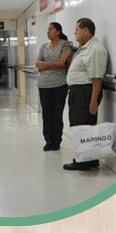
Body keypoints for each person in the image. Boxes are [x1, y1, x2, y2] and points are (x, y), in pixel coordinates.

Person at [64, 17, 109, 171]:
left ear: (86, 30)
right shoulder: (85, 48)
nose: (74, 33)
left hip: (85, 92)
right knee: (85, 127)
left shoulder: (95, 49)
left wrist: (93, 101)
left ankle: (82, 162)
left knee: (81, 127)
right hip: (80, 92)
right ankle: (91, 159)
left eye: (77, 30)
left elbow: (97, 78)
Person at [35, 22, 74, 151]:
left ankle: (56, 140)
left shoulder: (66, 44)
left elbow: (62, 62)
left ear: (58, 32)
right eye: (47, 30)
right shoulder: (43, 46)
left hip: (59, 85)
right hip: (43, 85)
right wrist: (53, 64)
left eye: (51, 30)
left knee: (57, 114)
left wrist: (45, 65)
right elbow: (37, 64)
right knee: (46, 114)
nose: (48, 32)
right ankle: (48, 140)